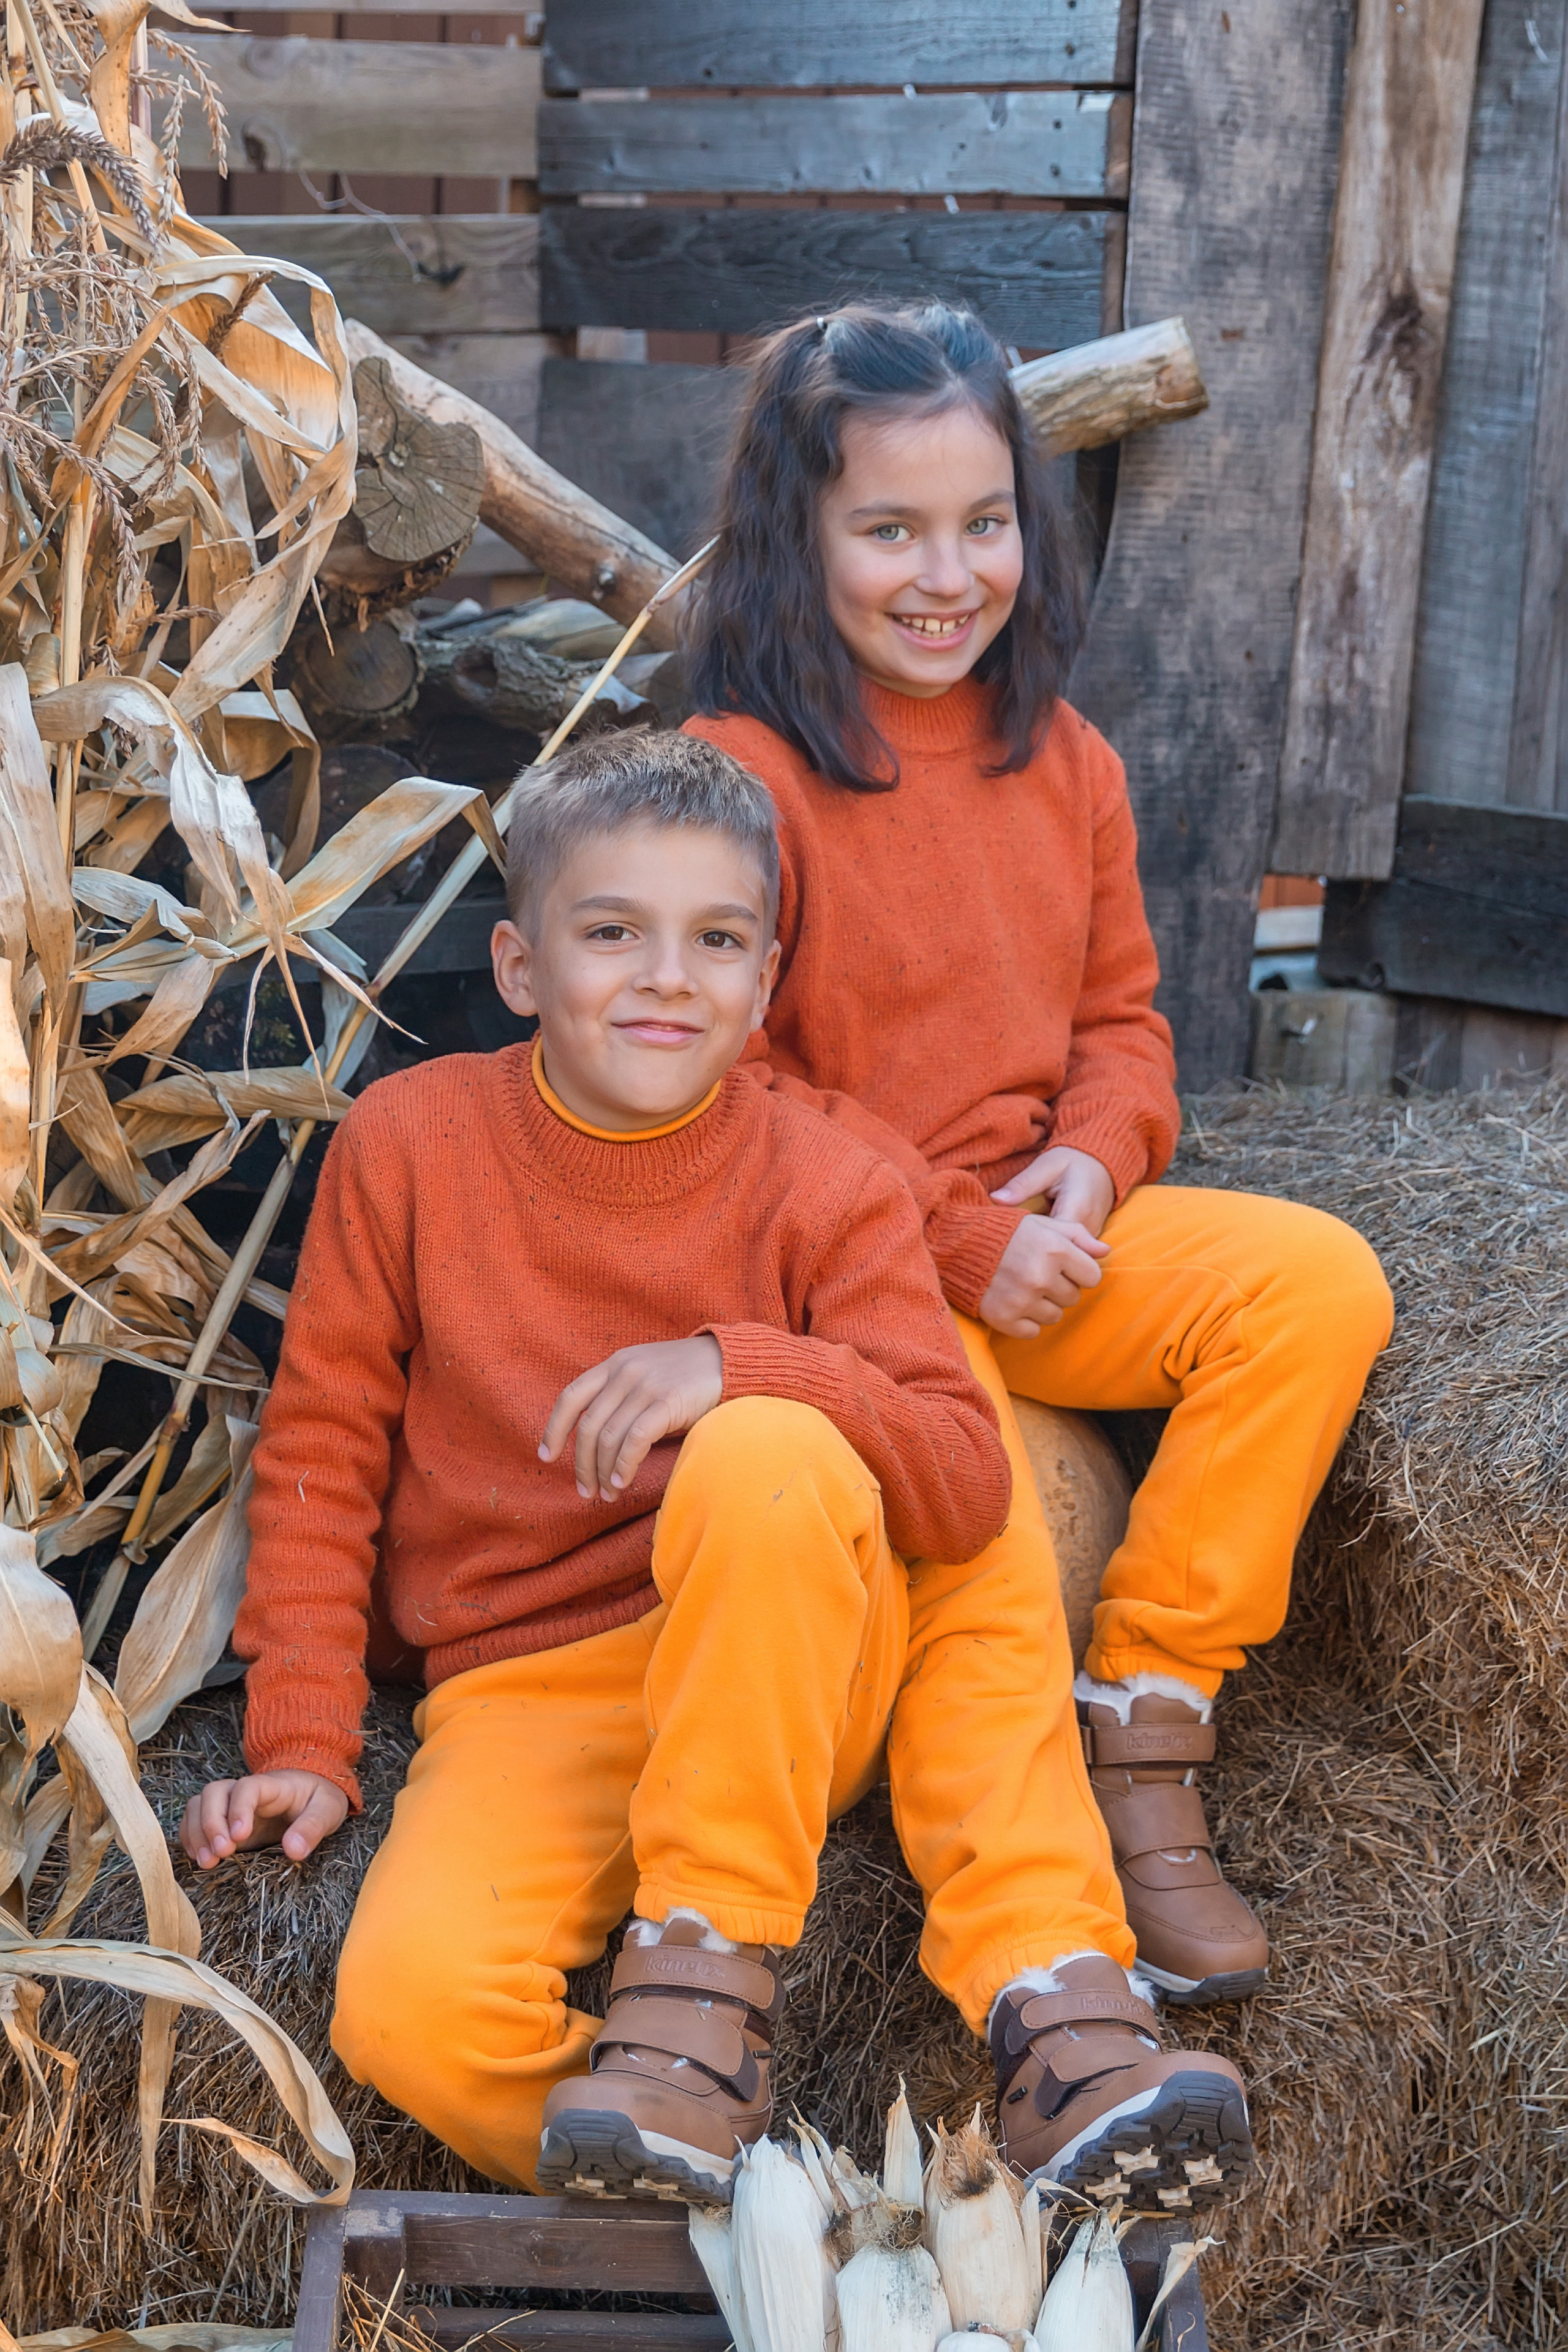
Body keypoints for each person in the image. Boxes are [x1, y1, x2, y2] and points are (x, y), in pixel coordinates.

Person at [178, 732, 1253, 2211]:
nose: (668, 979)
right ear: (518, 966)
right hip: (531, 1686)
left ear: (764, 987)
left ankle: (726, 1986)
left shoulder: (827, 1176)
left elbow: (962, 1482)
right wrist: (301, 1737)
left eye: (719, 942)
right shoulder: (407, 1144)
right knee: (405, 2017)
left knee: (766, 1448)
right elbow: (323, 1445)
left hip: (790, 1658)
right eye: (612, 933)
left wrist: (742, 1365)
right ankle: (789, 2221)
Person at [685, 302, 1395, 2013]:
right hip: (857, 1277)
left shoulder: (1065, 763)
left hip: (1039, 1236)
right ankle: (1039, 1930)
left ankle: (1148, 1711)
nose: (948, 576)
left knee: (1314, 1284)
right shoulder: (738, 779)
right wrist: (953, 1240)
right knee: (988, 1530)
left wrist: (1091, 1156)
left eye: (985, 522)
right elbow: (738, 1086)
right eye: (890, 530)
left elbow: (1121, 1023)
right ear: (796, 538)